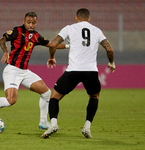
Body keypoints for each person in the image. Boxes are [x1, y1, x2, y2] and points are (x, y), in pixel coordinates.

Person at [0, 12, 69, 130]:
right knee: (11, 101)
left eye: (33, 23)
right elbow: (2, 40)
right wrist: (6, 52)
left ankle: (43, 122)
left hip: (25, 72)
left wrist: (70, 46)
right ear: (24, 21)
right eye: (28, 22)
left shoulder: (36, 36)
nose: (31, 25)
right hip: (12, 70)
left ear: (36, 23)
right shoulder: (17, 31)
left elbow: (52, 44)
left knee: (46, 92)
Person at [41, 8, 115, 138]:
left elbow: (53, 44)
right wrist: (112, 62)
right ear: (89, 18)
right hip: (91, 72)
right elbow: (109, 49)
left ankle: (53, 124)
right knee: (94, 97)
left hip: (73, 71)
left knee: (54, 97)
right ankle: (87, 126)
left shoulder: (69, 28)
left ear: (76, 18)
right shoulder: (96, 30)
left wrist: (52, 57)